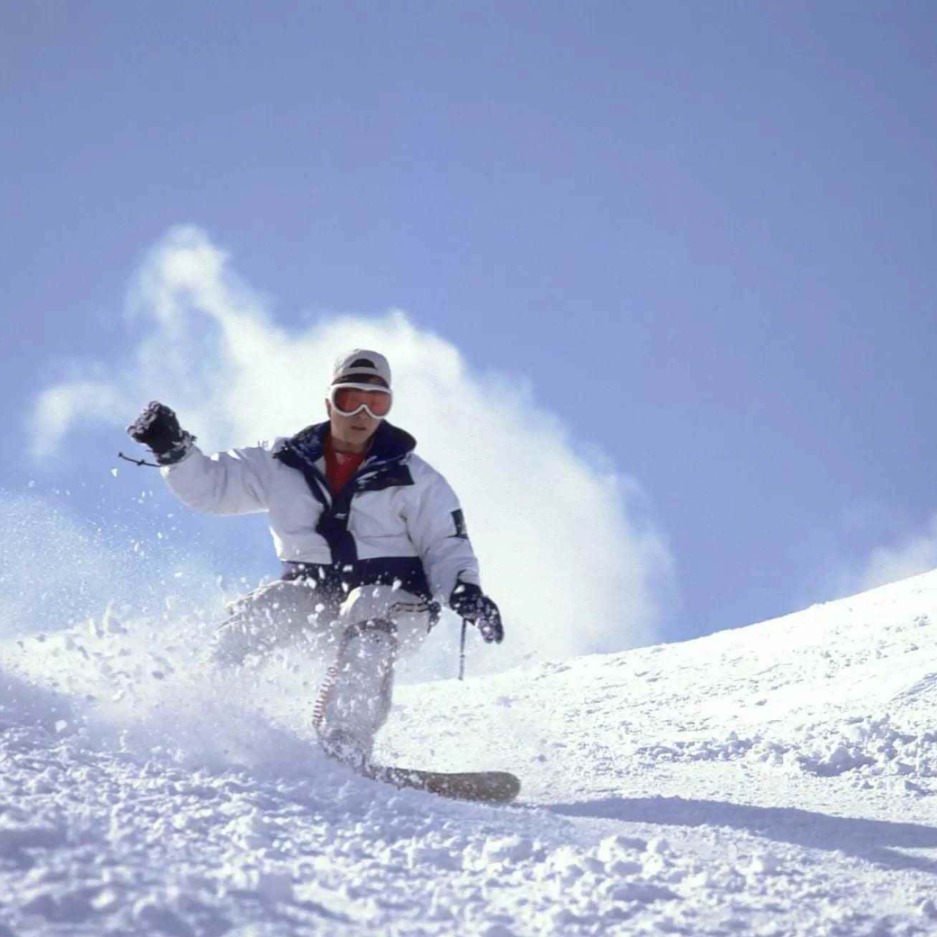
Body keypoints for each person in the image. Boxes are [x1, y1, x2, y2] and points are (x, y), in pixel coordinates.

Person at [126, 349, 504, 770]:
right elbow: (213, 487)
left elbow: (445, 543)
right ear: (329, 403)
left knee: (370, 607)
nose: (362, 413)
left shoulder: (416, 479)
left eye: (376, 403)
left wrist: (464, 590)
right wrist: (174, 451)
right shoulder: (283, 462)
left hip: (399, 606)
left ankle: (346, 742)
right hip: (318, 601)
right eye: (349, 399)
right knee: (262, 610)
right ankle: (195, 715)